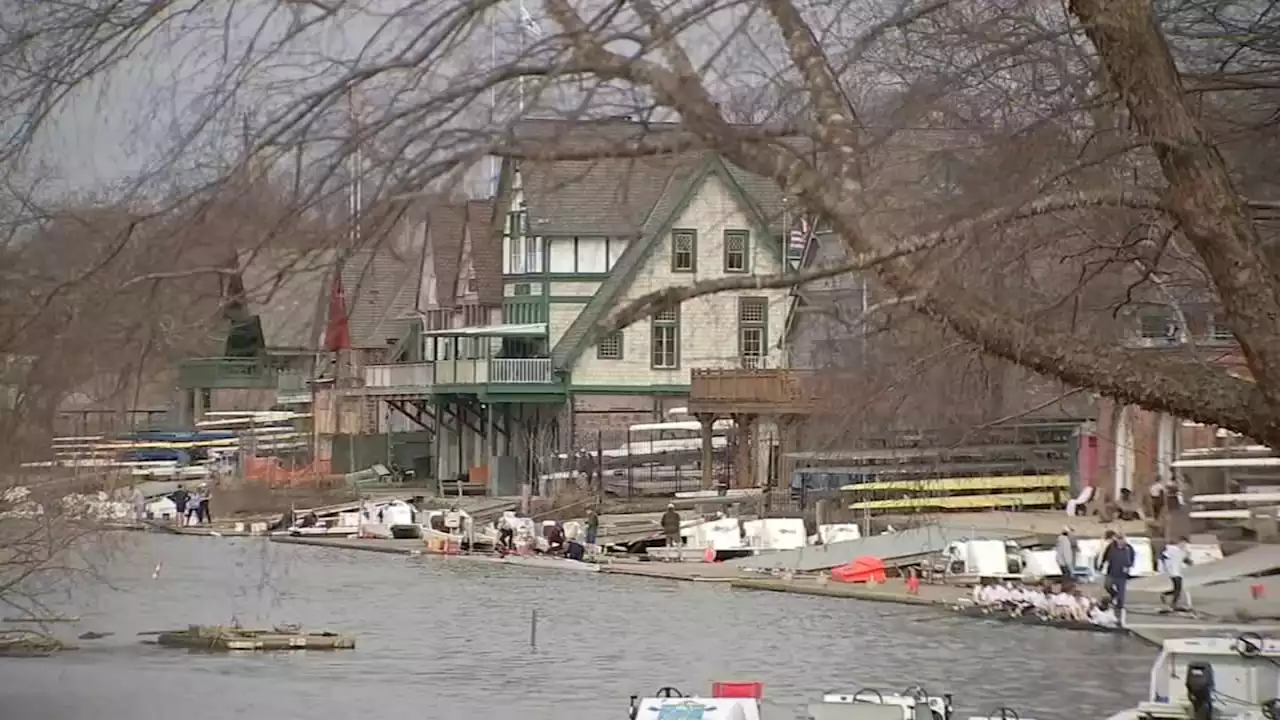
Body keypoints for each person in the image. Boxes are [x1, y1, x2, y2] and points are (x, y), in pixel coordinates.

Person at [1100, 532, 1135, 623]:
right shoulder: (1111, 547)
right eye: (1119, 539)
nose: (1120, 541)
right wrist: (1102, 564)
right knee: (1107, 585)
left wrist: (1129, 566)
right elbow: (1105, 555)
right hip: (1111, 571)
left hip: (1122, 574)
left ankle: (1120, 609)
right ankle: (1114, 594)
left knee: (1121, 591)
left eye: (1122, 539)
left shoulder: (1128, 548)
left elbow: (1132, 557)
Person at [1161, 536, 1193, 610]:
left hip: (1178, 572)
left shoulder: (1183, 552)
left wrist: (1189, 561)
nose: (1184, 545)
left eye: (1185, 544)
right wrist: (1165, 567)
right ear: (1180, 543)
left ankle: (1165, 594)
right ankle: (1173, 604)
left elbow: (1185, 560)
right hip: (1173, 572)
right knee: (1178, 589)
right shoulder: (1172, 549)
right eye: (1183, 543)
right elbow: (1163, 556)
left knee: (1177, 589)